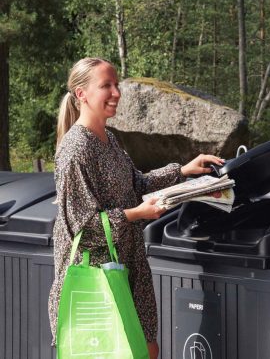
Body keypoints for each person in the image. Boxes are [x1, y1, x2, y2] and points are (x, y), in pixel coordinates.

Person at [48, 57, 224, 359]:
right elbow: (84, 228)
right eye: (106, 86)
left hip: (127, 270)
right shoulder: (75, 150)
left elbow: (136, 185)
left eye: (116, 85)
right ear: (81, 94)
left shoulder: (107, 139)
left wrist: (183, 171)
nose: (116, 92)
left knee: (146, 351)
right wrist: (137, 215)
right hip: (96, 281)